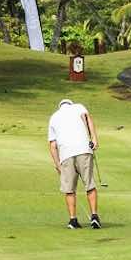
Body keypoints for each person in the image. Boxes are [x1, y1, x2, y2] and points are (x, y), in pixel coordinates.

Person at [47, 97, 101, 229]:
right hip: (84, 150)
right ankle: (94, 216)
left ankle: (73, 220)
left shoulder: (54, 117)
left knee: (69, 189)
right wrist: (94, 139)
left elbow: (52, 145)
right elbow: (88, 119)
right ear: (70, 104)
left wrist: (58, 165)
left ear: (60, 106)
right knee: (89, 184)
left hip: (65, 154)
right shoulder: (79, 107)